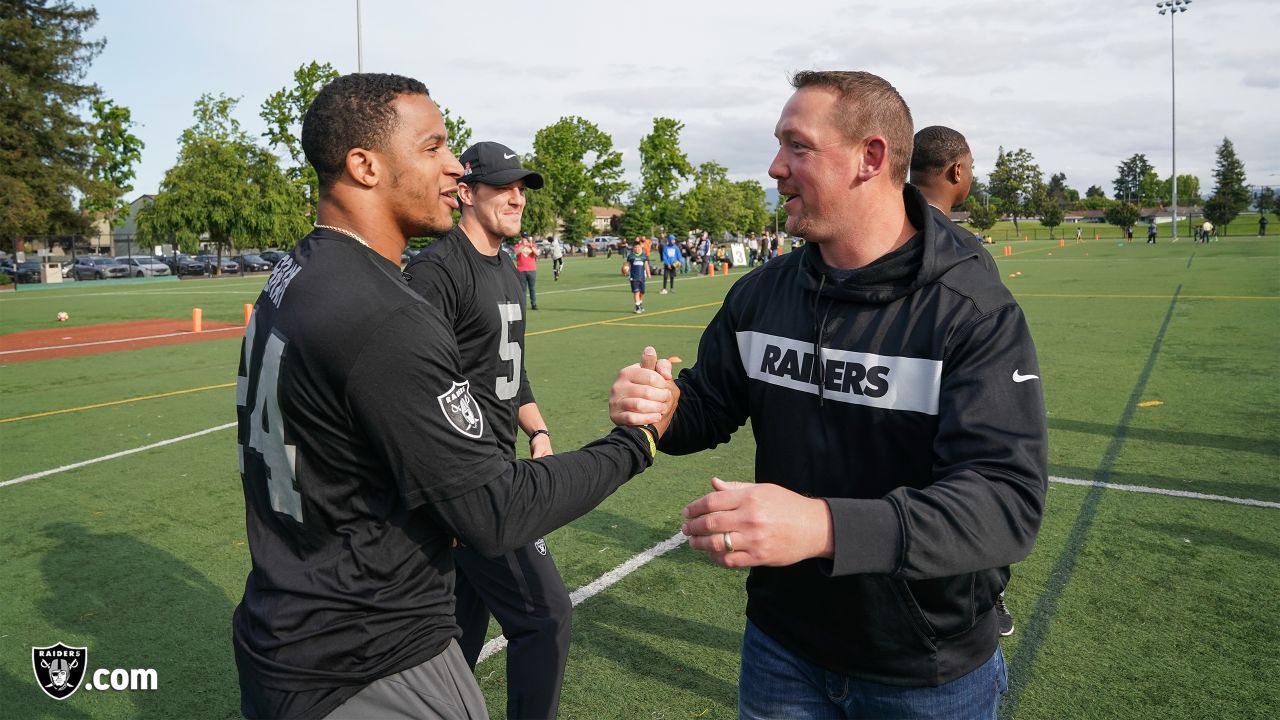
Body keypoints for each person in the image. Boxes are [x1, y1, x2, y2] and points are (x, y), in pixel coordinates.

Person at [232, 73, 673, 720]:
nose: (455, 167)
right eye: (434, 147)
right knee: (541, 614)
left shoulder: (298, 271)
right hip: (367, 656)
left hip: (293, 626)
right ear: (365, 164)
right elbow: (493, 512)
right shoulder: (383, 310)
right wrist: (636, 441)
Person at [616, 71, 1047, 719]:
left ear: (870, 158)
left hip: (924, 671)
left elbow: (1005, 503)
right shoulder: (763, 294)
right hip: (781, 648)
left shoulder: (970, 310)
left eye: (798, 146)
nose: (775, 167)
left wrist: (824, 527)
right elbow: (708, 408)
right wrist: (667, 407)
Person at [401, 141, 570, 719]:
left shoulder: (503, 264)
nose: (517, 196)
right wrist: (440, 498)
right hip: (471, 483)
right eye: (503, 186)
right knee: (545, 616)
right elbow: (413, 393)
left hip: (500, 461)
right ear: (466, 193)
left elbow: (509, 369)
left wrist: (538, 431)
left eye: (521, 187)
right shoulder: (434, 272)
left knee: (454, 642)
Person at [910, 124, 1020, 638]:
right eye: (971, 168)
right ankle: (984, 596)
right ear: (957, 172)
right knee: (962, 499)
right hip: (941, 421)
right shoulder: (964, 251)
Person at [622, 239, 652, 313]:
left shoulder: (644, 256)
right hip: (633, 277)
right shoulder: (631, 256)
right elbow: (627, 265)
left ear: (641, 247)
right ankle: (637, 307)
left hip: (642, 277)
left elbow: (646, 265)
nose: (637, 249)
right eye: (635, 247)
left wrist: (648, 273)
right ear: (633, 248)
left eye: (638, 247)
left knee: (642, 292)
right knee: (636, 292)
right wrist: (625, 270)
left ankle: (640, 303)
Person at [514, 234, 538, 309]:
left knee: (532, 288)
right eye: (523, 237)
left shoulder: (532, 245)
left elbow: (537, 253)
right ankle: (523, 305)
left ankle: (533, 304)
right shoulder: (518, 245)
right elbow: (516, 253)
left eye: (525, 237)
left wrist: (530, 246)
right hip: (521, 270)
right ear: (521, 238)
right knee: (522, 289)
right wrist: (522, 245)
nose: (524, 239)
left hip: (532, 270)